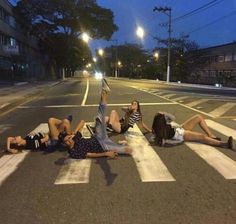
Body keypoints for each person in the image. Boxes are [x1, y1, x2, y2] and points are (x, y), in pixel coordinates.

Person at [62, 79, 132, 159]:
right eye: (67, 141)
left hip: (98, 137)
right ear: (65, 145)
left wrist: (73, 133)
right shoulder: (73, 152)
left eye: (68, 138)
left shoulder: (75, 138)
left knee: (99, 117)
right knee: (128, 151)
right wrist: (106, 154)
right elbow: (89, 155)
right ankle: (123, 144)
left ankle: (104, 91)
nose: (69, 140)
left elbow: (81, 124)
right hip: (104, 147)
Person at [151, 112, 234, 150]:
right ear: (161, 121)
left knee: (199, 117)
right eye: (164, 117)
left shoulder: (159, 127)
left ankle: (211, 135)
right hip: (181, 135)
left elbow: (173, 118)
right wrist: (179, 141)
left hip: (179, 129)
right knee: (202, 137)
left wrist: (163, 113)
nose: (166, 118)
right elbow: (165, 142)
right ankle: (225, 144)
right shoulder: (161, 133)